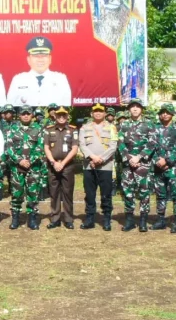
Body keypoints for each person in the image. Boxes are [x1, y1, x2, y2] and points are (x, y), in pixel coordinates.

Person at [79, 103, 118, 231]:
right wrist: (92, 158)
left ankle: (106, 219)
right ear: (91, 113)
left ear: (105, 113)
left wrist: (101, 159)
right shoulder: (84, 127)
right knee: (89, 194)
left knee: (106, 194)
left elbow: (113, 146)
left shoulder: (112, 127)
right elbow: (82, 144)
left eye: (100, 111)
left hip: (105, 166)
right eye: (95, 111)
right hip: (89, 166)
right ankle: (90, 218)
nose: (98, 113)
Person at [4, 105, 44, 230]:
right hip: (17, 168)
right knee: (17, 193)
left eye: (28, 113)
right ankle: (15, 218)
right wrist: (20, 160)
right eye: (23, 114)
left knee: (33, 193)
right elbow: (9, 148)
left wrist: (30, 160)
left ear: (32, 115)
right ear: (19, 115)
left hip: (33, 167)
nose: (26, 116)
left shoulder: (38, 129)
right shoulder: (12, 129)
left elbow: (41, 147)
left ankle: (32, 219)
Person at [117, 99, 154, 232]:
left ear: (141, 109)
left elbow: (152, 143)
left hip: (143, 164)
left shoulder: (149, 124)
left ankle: (143, 220)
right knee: (128, 192)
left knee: (144, 192)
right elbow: (120, 143)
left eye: (137, 106)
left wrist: (139, 157)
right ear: (129, 109)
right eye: (132, 107)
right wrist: (129, 158)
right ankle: (129, 220)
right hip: (128, 164)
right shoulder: (123, 125)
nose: (135, 109)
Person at [149, 103, 176, 233]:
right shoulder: (154, 129)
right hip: (158, 167)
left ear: (172, 114)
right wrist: (157, 161)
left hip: (174, 168)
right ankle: (160, 220)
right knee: (160, 195)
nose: (165, 114)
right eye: (163, 112)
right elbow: (150, 147)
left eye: (167, 112)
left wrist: (167, 161)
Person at [6, 36, 72, 106]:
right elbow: (10, 106)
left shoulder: (61, 80)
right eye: (36, 56)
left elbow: (66, 107)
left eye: (44, 55)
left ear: (50, 59)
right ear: (28, 59)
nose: (40, 59)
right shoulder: (18, 80)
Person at [43, 107, 79, 229]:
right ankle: (55, 219)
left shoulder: (73, 130)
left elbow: (74, 149)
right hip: (52, 166)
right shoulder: (49, 130)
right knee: (54, 193)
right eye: (59, 115)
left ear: (67, 116)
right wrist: (53, 162)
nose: (61, 117)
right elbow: (46, 147)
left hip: (67, 166)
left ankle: (68, 219)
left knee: (67, 193)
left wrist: (62, 163)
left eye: (64, 115)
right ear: (55, 116)